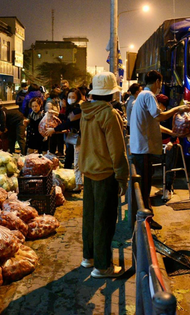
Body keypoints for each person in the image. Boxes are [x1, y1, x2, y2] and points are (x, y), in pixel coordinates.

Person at [79, 72, 129, 278]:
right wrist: (122, 175)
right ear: (111, 94)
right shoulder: (109, 113)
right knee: (104, 220)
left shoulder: (86, 111)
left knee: (90, 217)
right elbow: (117, 149)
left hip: (89, 171)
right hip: (105, 173)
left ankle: (88, 257)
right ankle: (102, 266)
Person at [130, 70, 187, 229]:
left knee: (144, 186)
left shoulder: (141, 96)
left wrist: (172, 132)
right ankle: (145, 221)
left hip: (140, 148)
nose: (160, 86)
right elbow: (159, 116)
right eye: (160, 83)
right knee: (145, 186)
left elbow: (154, 123)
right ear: (157, 82)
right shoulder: (148, 96)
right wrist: (177, 109)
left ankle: (143, 219)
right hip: (144, 150)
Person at [46, 88, 83, 190]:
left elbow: (68, 122)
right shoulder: (72, 108)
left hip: (79, 137)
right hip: (74, 137)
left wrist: (54, 129)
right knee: (75, 160)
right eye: (69, 97)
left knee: (77, 161)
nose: (70, 99)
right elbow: (65, 119)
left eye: (73, 97)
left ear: (78, 98)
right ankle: (79, 182)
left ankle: (79, 184)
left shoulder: (78, 109)